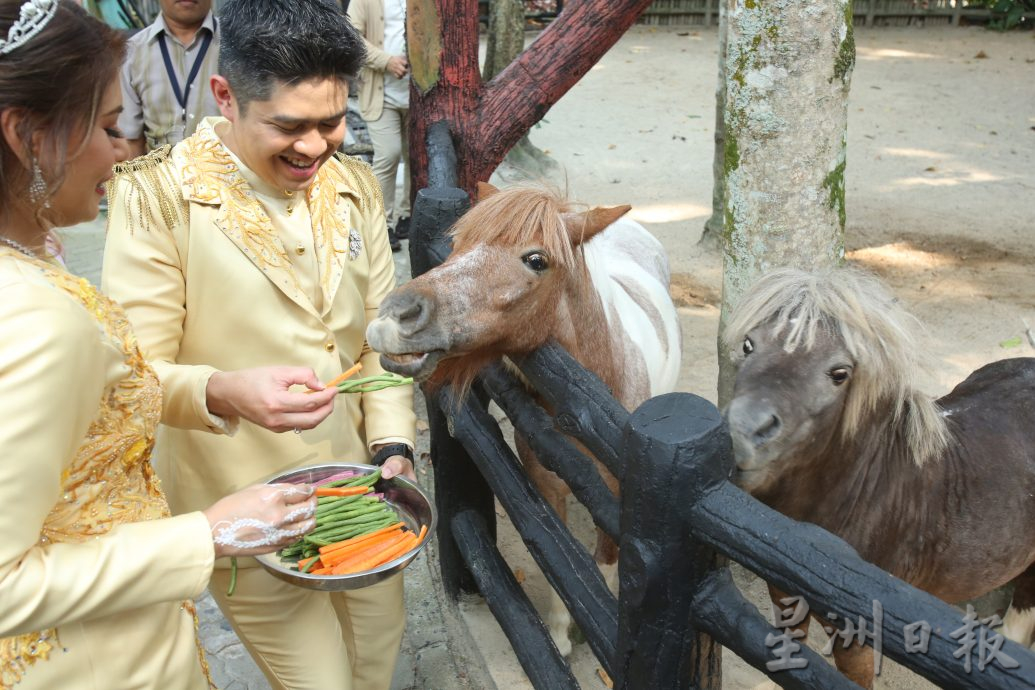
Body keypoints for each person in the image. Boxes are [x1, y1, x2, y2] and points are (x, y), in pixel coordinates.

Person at [0, 2, 319, 689]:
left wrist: (214, 388)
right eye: (110, 125)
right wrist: (205, 534)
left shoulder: (25, 262)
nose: (121, 148)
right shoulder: (38, 322)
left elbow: (87, 405)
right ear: (27, 135)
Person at [102, 0, 418, 687]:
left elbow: (378, 340)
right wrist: (221, 389)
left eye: (331, 122)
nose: (313, 148)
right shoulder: (156, 198)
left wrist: (392, 443)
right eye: (288, 126)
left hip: (361, 490)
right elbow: (133, 379)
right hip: (239, 501)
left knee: (376, 660)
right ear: (226, 96)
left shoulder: (355, 184)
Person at [118, 0, 220, 157]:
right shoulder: (132, 53)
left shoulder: (242, 46)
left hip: (228, 176)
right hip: (159, 177)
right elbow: (131, 142)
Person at [348, 0, 410, 252]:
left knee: (416, 158)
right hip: (380, 95)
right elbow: (351, 37)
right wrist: (386, 61)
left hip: (418, 96)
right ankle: (381, 223)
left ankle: (406, 215)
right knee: (389, 154)